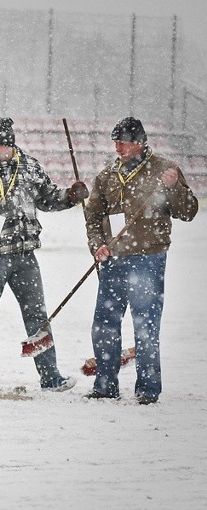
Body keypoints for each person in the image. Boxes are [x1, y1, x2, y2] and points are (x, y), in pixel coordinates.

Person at [0, 115, 89, 392]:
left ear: (9, 145)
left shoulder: (30, 167)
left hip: (25, 256)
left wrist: (71, 196)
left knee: (38, 316)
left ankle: (50, 378)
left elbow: (48, 198)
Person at [83, 117, 199, 405]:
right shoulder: (107, 175)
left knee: (146, 325)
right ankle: (105, 384)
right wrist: (97, 245)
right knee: (104, 323)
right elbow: (93, 216)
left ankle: (147, 389)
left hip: (148, 259)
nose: (117, 148)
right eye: (115, 143)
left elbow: (188, 212)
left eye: (122, 143)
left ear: (139, 142)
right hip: (112, 260)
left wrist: (173, 188)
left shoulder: (165, 170)